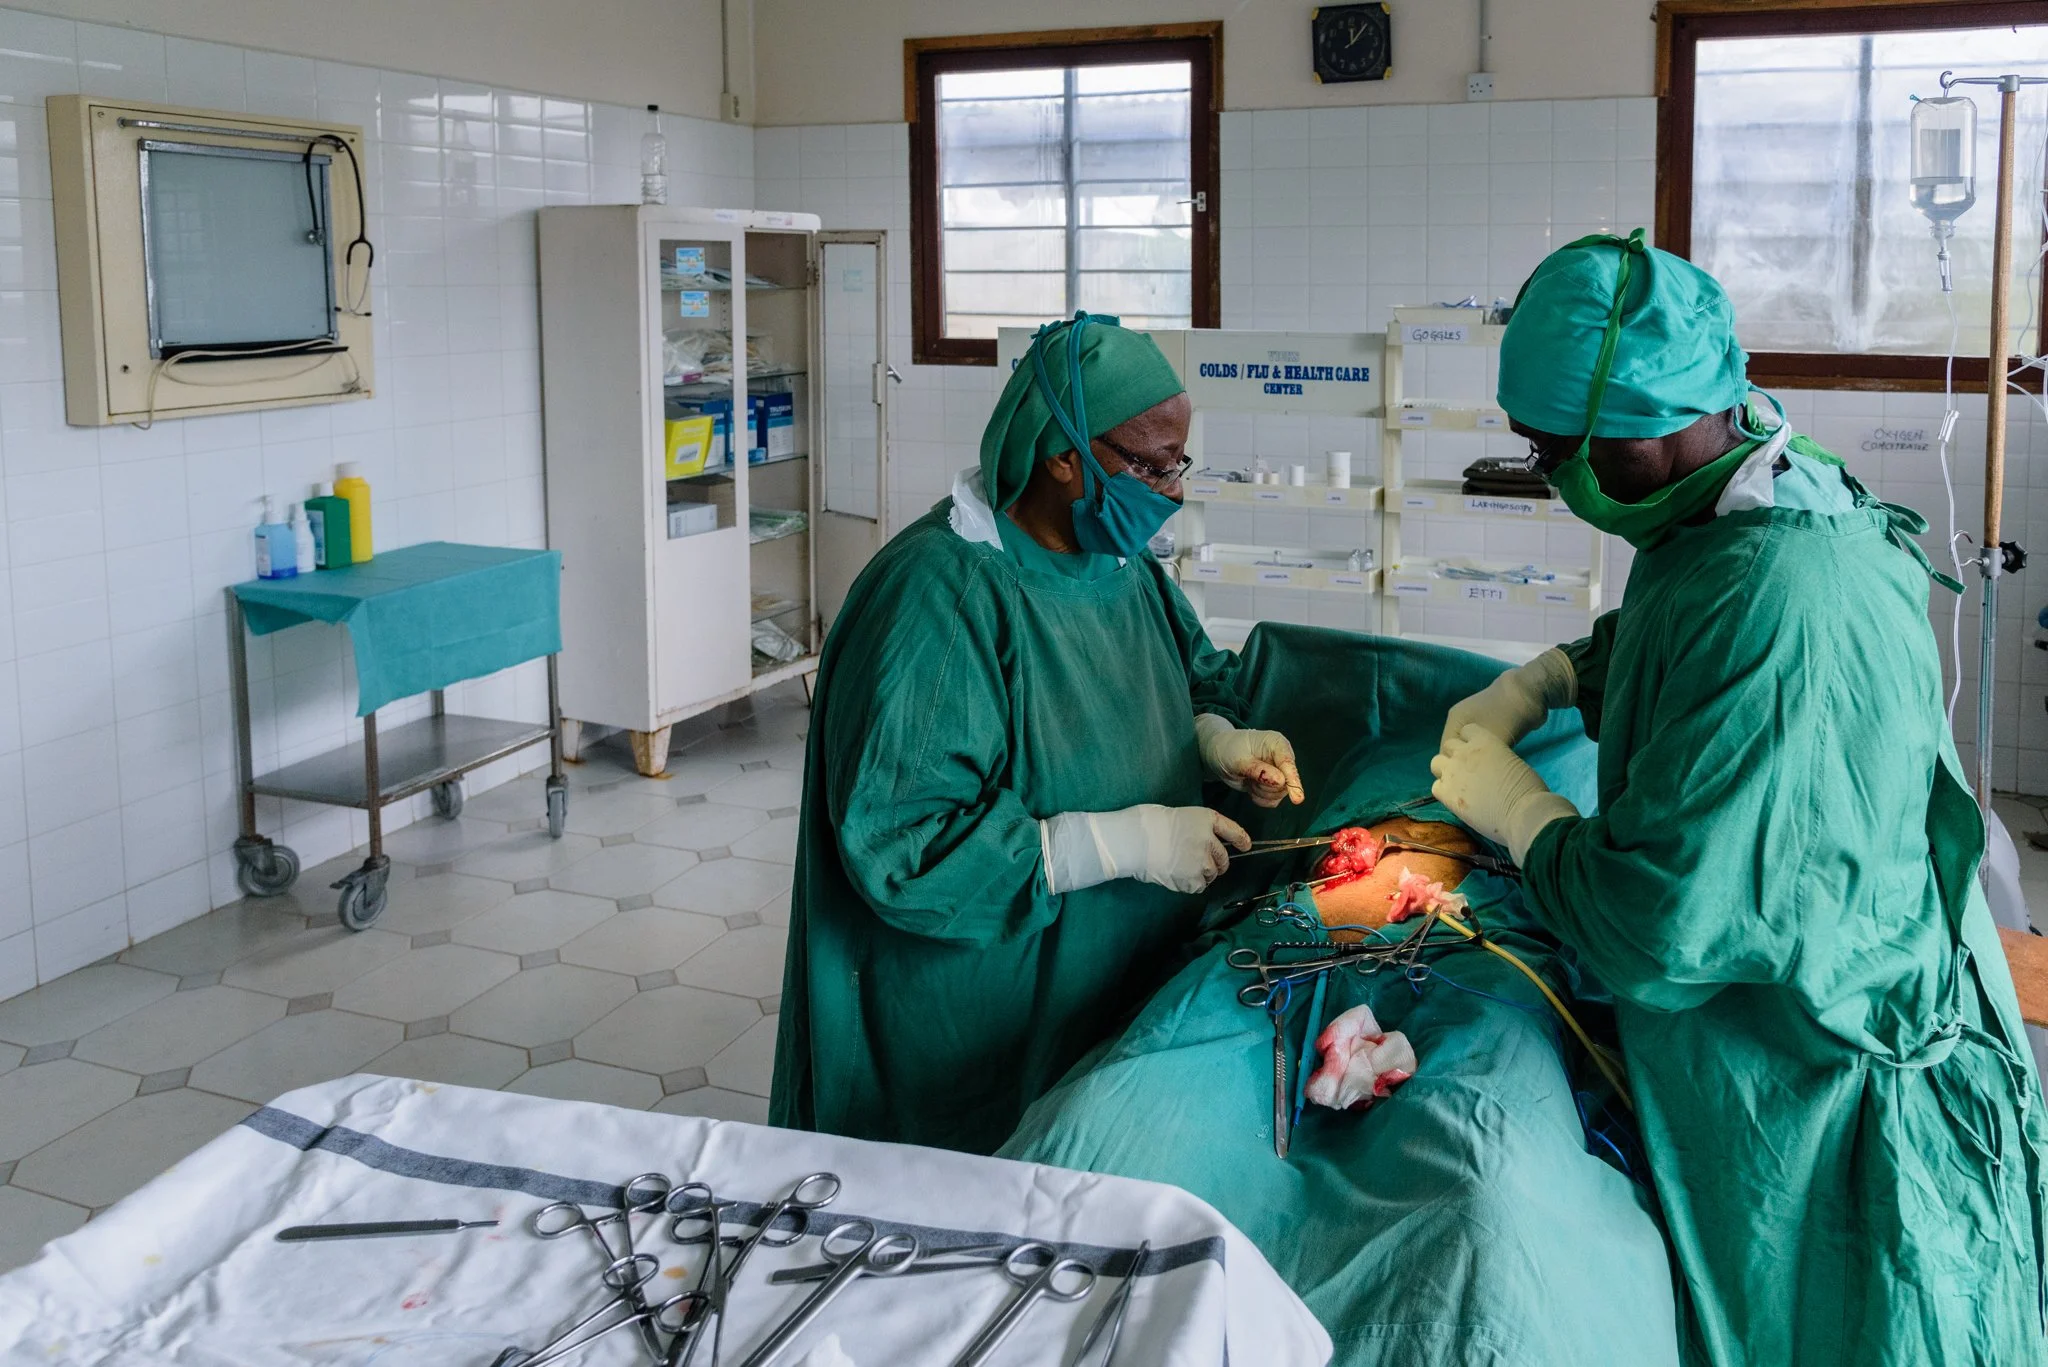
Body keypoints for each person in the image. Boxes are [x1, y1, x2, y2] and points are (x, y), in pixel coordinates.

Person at [1429, 229, 2048, 1365]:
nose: (1555, 476)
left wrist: (1520, 812)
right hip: (1827, 1006)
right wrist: (1562, 673)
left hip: (1830, 1094)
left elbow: (1662, 924)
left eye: (1562, 450)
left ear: (1653, 420)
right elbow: (1686, 619)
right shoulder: (1746, 473)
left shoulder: (1783, 600)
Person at [771, 313, 1304, 1154]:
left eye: (1180, 464)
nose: (1171, 489)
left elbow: (1179, 676)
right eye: (1150, 465)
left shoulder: (1116, 561)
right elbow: (907, 844)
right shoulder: (942, 596)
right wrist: (1123, 840)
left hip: (1103, 974)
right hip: (976, 1005)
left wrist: (1211, 740)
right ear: (1062, 455)